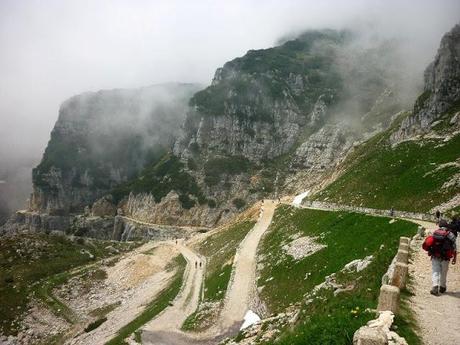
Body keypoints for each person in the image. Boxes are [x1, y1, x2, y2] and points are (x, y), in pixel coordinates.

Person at [423, 219, 457, 295]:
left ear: (439, 225)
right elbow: (454, 247)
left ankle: (435, 287)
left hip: (435, 256)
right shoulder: (451, 234)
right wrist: (454, 258)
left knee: (435, 271)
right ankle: (442, 287)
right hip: (446, 257)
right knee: (444, 273)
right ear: (446, 226)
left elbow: (430, 243)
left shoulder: (435, 233)